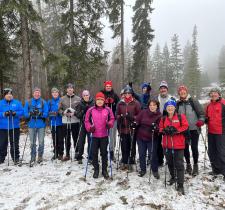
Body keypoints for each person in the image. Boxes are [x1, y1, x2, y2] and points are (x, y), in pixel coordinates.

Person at [159, 99, 189, 195]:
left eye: (172, 106)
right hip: (167, 145)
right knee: (170, 162)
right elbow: (160, 128)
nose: (170, 108)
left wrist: (176, 130)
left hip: (178, 145)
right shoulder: (163, 118)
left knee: (179, 164)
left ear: (175, 107)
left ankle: (180, 185)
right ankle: (173, 176)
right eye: (168, 107)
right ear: (166, 108)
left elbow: (185, 126)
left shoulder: (180, 116)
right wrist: (164, 130)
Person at [85, 92, 115, 179]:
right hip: (94, 135)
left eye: (101, 100)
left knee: (104, 153)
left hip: (104, 135)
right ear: (95, 100)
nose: (99, 101)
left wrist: (109, 124)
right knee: (94, 153)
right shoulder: (91, 110)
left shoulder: (108, 110)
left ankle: (104, 170)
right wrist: (90, 127)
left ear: (104, 101)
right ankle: (96, 169)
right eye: (98, 100)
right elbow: (86, 121)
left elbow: (112, 119)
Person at [176, 85, 205, 176]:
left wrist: (201, 120)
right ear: (179, 93)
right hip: (183, 130)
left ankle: (195, 165)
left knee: (194, 147)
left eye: (184, 91)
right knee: (185, 148)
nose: (182, 92)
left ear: (186, 92)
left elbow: (201, 113)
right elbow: (175, 116)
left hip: (194, 128)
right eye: (180, 91)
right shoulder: (178, 103)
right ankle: (188, 164)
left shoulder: (193, 101)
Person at [116, 86, 141, 170]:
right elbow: (117, 114)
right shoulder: (120, 103)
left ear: (131, 94)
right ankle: (124, 161)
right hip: (123, 128)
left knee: (131, 145)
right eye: (126, 93)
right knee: (123, 145)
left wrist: (132, 118)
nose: (127, 94)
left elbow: (139, 116)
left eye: (129, 93)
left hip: (132, 128)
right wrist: (120, 117)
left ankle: (131, 160)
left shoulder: (136, 103)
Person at [136, 99, 161, 178]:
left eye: (154, 105)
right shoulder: (143, 112)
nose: (152, 107)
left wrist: (155, 127)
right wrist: (135, 124)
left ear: (157, 106)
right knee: (142, 154)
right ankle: (143, 169)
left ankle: (155, 170)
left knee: (153, 154)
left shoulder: (159, 115)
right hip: (141, 137)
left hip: (152, 138)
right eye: (150, 105)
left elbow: (160, 127)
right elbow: (137, 120)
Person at [24, 87, 48, 165]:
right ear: (33, 93)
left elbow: (46, 113)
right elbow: (25, 113)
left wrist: (41, 114)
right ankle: (33, 156)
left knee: (41, 141)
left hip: (41, 124)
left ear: (40, 94)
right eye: (35, 92)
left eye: (38, 93)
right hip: (31, 124)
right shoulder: (28, 102)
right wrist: (30, 114)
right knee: (32, 142)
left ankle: (40, 156)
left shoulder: (43, 102)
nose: (37, 94)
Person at [205, 87, 225, 181]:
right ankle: (216, 169)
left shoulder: (223, 103)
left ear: (219, 94)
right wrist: (205, 120)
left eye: (215, 93)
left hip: (221, 132)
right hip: (211, 132)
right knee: (212, 152)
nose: (213, 94)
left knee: (221, 152)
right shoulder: (208, 105)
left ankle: (224, 171)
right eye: (212, 93)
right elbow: (206, 116)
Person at [0, 88, 23, 164]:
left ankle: (15, 157)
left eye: (10, 94)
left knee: (14, 143)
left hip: (14, 126)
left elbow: (22, 112)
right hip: (3, 127)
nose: (9, 95)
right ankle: (1, 157)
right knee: (2, 143)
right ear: (4, 95)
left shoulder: (17, 103)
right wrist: (4, 114)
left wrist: (15, 113)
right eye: (7, 94)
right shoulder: (1, 103)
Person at [58, 83, 81, 161]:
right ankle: (67, 154)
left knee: (76, 138)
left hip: (75, 121)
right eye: (68, 88)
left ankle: (77, 153)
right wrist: (63, 112)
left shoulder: (78, 99)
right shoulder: (62, 99)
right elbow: (59, 109)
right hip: (66, 121)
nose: (70, 89)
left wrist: (74, 112)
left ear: (73, 89)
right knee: (67, 138)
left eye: (71, 88)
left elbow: (80, 110)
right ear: (66, 90)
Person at [101, 80, 120, 161]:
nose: (108, 88)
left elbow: (118, 106)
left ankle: (111, 152)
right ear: (105, 87)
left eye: (109, 86)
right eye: (107, 86)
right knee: (103, 135)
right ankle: (103, 151)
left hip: (112, 119)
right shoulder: (101, 94)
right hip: (103, 118)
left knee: (112, 136)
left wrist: (114, 105)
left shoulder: (115, 95)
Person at [157, 81, 173, 166]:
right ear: (160, 90)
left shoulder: (172, 99)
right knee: (159, 142)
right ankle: (160, 160)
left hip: (168, 123)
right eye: (161, 88)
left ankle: (169, 159)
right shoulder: (156, 98)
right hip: (158, 123)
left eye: (164, 88)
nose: (163, 90)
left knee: (168, 142)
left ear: (167, 89)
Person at [76, 90, 94, 164]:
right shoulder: (80, 104)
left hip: (90, 124)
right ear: (82, 96)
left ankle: (90, 156)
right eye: (84, 95)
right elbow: (78, 115)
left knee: (90, 141)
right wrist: (83, 111)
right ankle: (80, 156)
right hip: (82, 125)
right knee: (81, 141)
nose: (86, 96)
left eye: (87, 95)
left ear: (89, 95)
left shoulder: (93, 103)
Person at [48, 87, 64, 160]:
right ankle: (55, 153)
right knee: (55, 139)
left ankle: (61, 153)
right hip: (53, 123)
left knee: (60, 139)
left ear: (58, 93)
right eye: (53, 92)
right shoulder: (50, 102)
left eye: (56, 92)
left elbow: (63, 110)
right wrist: (51, 114)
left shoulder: (61, 100)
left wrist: (59, 113)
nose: (55, 94)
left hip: (60, 123)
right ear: (52, 94)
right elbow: (47, 112)